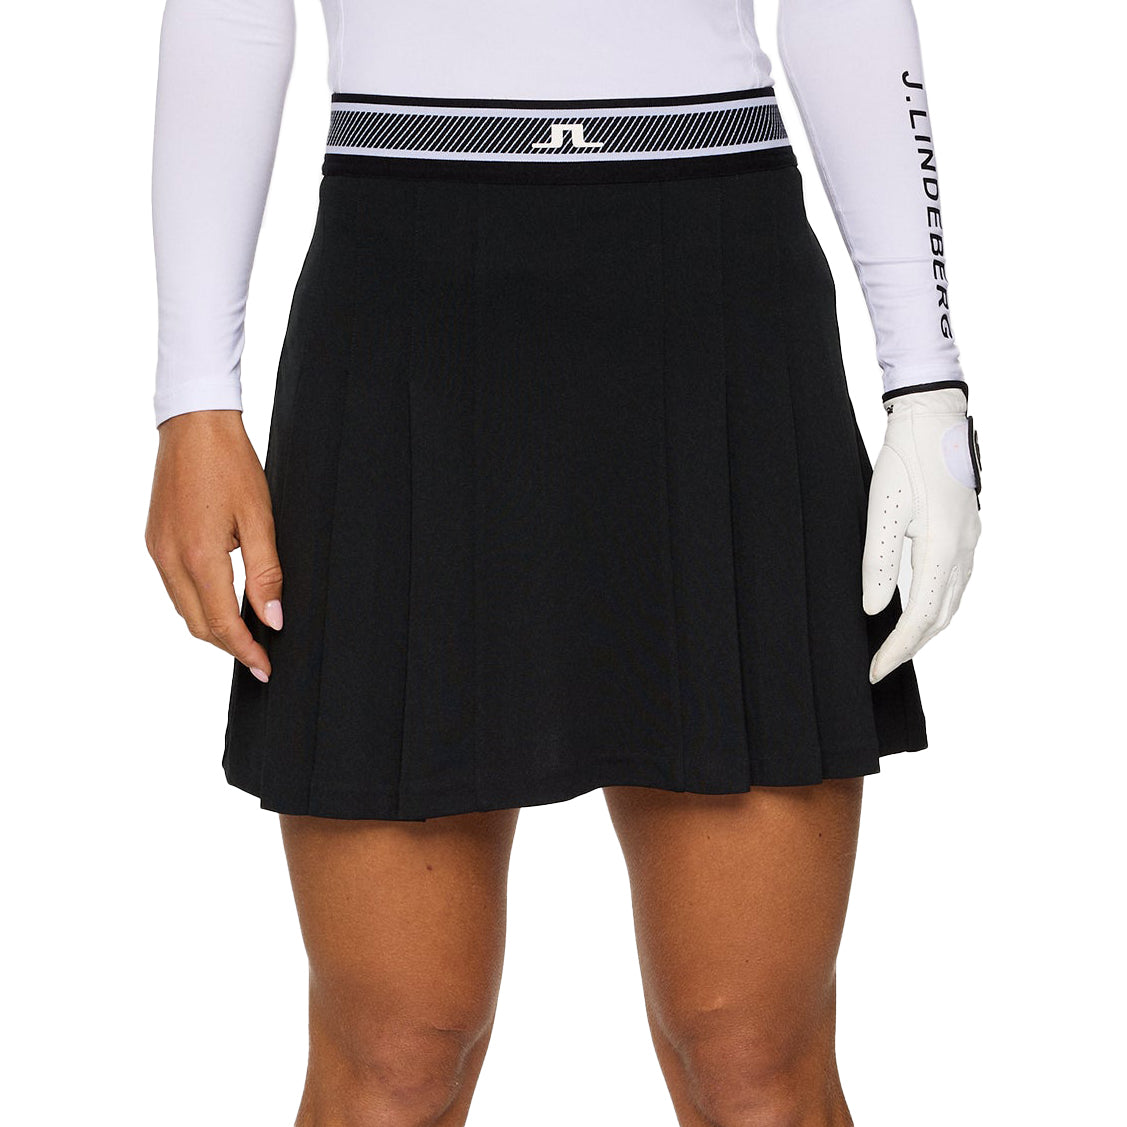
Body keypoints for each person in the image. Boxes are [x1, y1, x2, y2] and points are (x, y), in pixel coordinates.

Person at [144, 0, 983, 1123]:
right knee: (394, 1052)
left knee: (751, 1056)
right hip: (399, 304)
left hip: (716, 291)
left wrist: (926, 381)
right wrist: (195, 398)